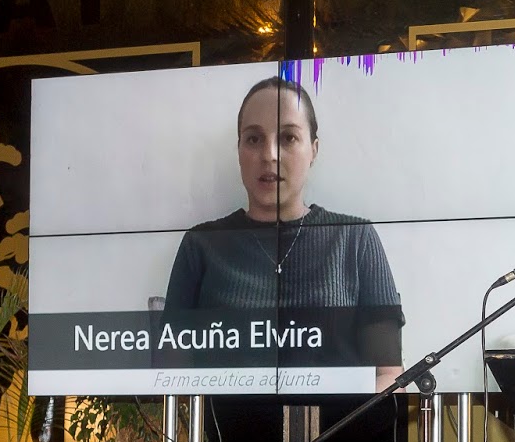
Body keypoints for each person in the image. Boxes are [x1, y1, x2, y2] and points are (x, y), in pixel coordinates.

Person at [164, 76, 404, 391]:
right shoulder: (201, 246)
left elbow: (389, 374)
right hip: (228, 438)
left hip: (338, 434)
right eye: (254, 139)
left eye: (288, 138)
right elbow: (170, 373)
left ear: (313, 150)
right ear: (238, 151)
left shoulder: (355, 238)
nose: (270, 155)